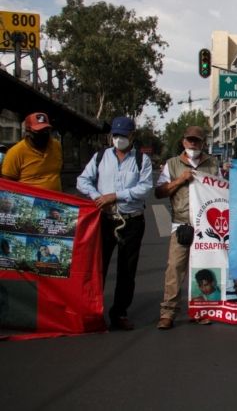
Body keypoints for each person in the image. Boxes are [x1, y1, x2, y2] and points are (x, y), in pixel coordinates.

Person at [76, 116, 153, 331]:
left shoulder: (141, 160)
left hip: (132, 221)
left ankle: (119, 313)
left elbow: (144, 188)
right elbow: (82, 181)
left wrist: (116, 196)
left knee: (126, 271)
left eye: (123, 135)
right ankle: (93, 311)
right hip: (105, 220)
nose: (119, 139)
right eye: (116, 135)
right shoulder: (100, 156)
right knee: (97, 267)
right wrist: (98, 196)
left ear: (132, 136)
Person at [154, 125, 219, 330]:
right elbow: (159, 192)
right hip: (181, 224)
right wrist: (180, 180)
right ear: (183, 142)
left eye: (197, 141)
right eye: (190, 140)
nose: (193, 144)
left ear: (203, 143)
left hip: (206, 226)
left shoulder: (213, 164)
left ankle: (199, 311)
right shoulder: (172, 164)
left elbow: (222, 189)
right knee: (174, 268)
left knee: (201, 269)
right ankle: (168, 313)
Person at [1, 112, 63, 191]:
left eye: (46, 130)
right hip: (29, 201)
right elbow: (8, 182)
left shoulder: (56, 146)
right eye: (39, 131)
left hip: (56, 200)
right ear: (28, 132)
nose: (43, 134)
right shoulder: (15, 153)